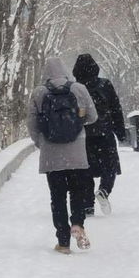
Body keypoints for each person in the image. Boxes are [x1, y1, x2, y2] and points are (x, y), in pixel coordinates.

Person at [28, 56, 97, 254]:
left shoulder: (39, 93)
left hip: (51, 155)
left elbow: (31, 124)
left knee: (57, 197)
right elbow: (93, 117)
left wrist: (41, 142)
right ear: (65, 70)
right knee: (77, 192)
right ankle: (77, 224)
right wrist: (77, 123)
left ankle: (63, 242)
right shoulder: (79, 89)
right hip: (76, 153)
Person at [72, 54, 126, 216]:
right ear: (95, 67)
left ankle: (88, 204)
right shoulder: (105, 85)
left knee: (85, 170)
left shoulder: (75, 88)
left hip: (83, 135)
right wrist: (120, 132)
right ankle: (104, 190)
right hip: (105, 133)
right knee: (109, 166)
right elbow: (116, 109)